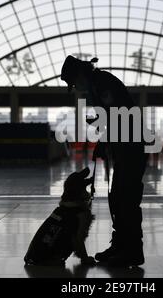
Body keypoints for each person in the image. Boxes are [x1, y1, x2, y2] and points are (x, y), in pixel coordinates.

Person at [61, 55, 148, 267]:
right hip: (123, 146)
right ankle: (120, 246)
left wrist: (105, 136)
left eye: (75, 82)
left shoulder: (102, 83)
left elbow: (120, 115)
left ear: (81, 74)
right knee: (118, 198)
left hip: (131, 146)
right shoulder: (96, 87)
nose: (77, 88)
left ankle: (132, 251)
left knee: (127, 200)